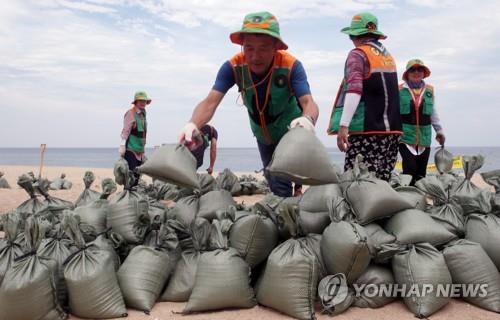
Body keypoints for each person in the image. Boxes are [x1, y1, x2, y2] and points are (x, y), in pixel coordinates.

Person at [178, 11, 319, 197]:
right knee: (271, 176)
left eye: (263, 48)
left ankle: (291, 206)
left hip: (290, 131)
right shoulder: (233, 66)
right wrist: (192, 124)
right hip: (262, 134)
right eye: (249, 48)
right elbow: (210, 102)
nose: (254, 56)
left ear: (276, 46)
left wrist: (307, 120)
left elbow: (309, 102)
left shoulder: (291, 66)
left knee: (281, 183)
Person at [327, 12, 402, 181]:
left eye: (351, 36)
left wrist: (343, 125)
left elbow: (354, 90)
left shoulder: (358, 54)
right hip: (392, 131)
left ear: (356, 35)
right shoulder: (387, 57)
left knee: (356, 183)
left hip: (367, 130)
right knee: (381, 184)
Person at [399, 59, 445, 185]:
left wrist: (439, 131)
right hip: (405, 137)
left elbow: (433, 113)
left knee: (421, 173)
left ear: (424, 73)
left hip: (424, 138)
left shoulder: (429, 91)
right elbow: (393, 113)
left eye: (420, 69)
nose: (416, 72)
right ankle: (408, 197)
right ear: (407, 74)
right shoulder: (399, 90)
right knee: (409, 170)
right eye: (412, 70)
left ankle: (420, 200)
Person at [119, 91, 151, 186]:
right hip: (130, 149)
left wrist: (143, 151)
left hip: (139, 151)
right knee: (130, 177)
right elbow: (126, 130)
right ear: (136, 102)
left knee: (137, 176)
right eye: (140, 100)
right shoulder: (130, 113)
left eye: (144, 101)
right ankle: (127, 197)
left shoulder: (143, 114)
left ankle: (133, 198)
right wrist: (122, 145)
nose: (143, 103)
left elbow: (143, 134)